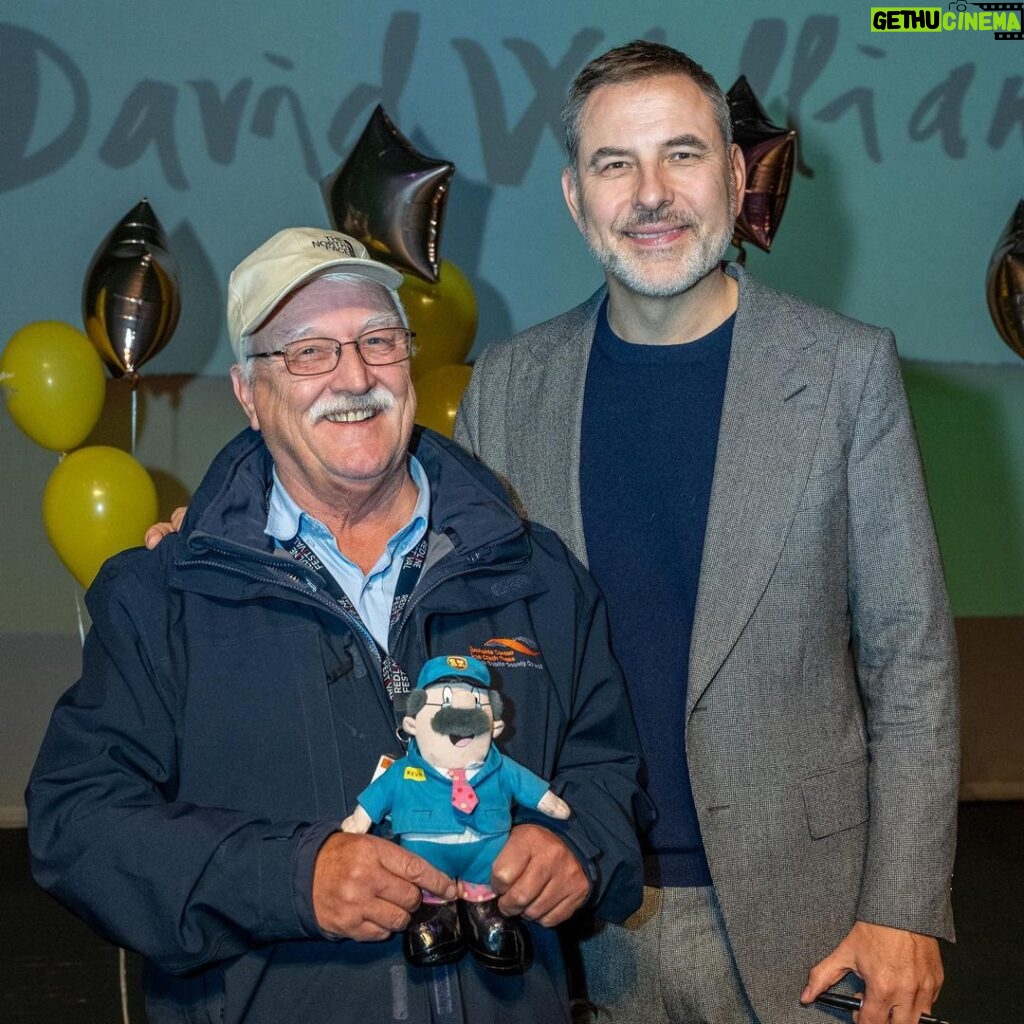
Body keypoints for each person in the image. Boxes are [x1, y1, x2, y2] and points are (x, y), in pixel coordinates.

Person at [454, 40, 959, 1024]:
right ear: (574, 197)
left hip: (811, 924)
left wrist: (903, 906)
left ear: (735, 175)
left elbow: (911, 657)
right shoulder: (508, 387)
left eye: (681, 155)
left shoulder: (846, 372)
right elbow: (458, 629)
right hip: (576, 912)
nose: (651, 194)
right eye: (614, 164)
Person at [27, 227, 648, 1024]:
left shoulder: (534, 573)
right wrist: (293, 880)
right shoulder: (164, 596)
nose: (354, 376)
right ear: (250, 392)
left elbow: (608, 772)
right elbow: (78, 823)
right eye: (308, 352)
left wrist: (580, 850)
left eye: (377, 341)